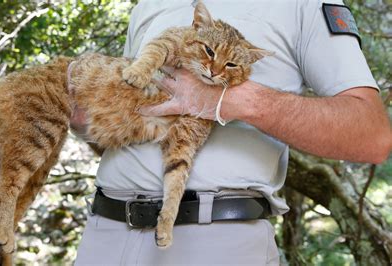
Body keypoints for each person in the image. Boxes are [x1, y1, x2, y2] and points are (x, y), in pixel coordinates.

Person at [72, 0, 391, 265]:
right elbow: (127, 121)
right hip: (104, 232)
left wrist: (229, 100)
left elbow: (371, 135)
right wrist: (81, 115)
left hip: (216, 239)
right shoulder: (150, 5)